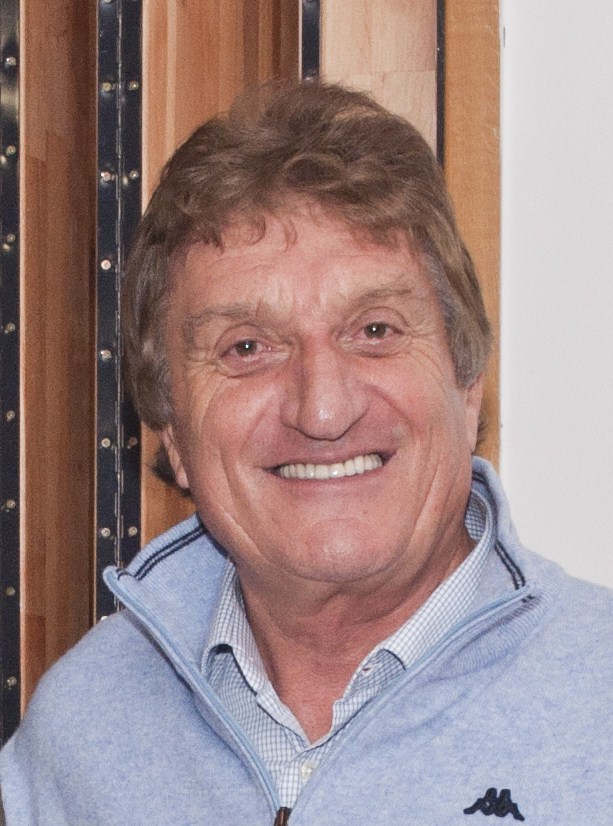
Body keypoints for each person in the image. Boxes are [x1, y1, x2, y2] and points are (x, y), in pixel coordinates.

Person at [1, 81, 611, 825]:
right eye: (247, 347)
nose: (322, 410)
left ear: (467, 385)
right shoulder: (80, 737)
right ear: (173, 434)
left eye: (376, 331)